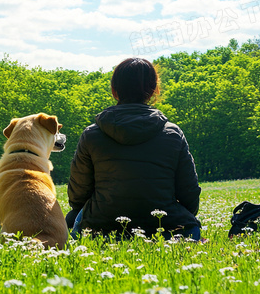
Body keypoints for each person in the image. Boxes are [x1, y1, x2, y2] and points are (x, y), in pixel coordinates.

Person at [66, 57, 202, 240]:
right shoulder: (173, 133)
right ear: (153, 90)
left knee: (71, 218)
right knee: (190, 225)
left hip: (101, 230)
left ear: (114, 91)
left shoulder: (91, 135)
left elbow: (78, 195)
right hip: (167, 230)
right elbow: (189, 193)